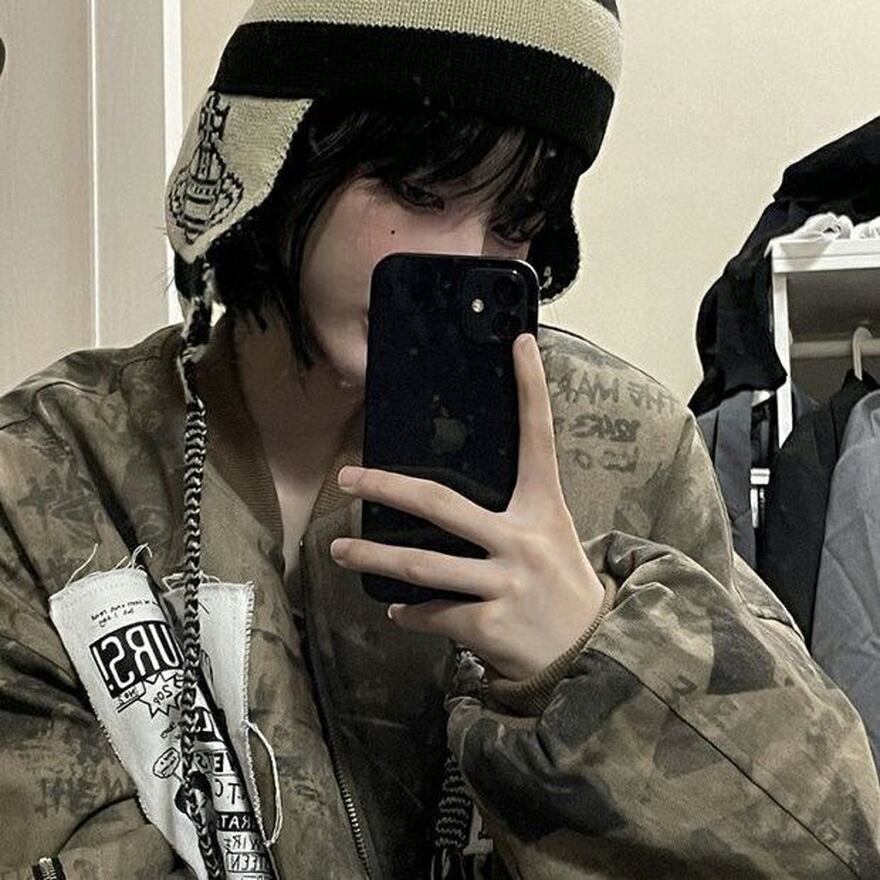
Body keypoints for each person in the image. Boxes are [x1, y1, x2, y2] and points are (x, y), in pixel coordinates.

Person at [1, 2, 878, 878]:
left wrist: (589, 657)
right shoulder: (50, 475)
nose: (468, 257)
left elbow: (833, 845)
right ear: (280, 153)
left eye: (515, 220)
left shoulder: (627, 449)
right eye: (420, 192)